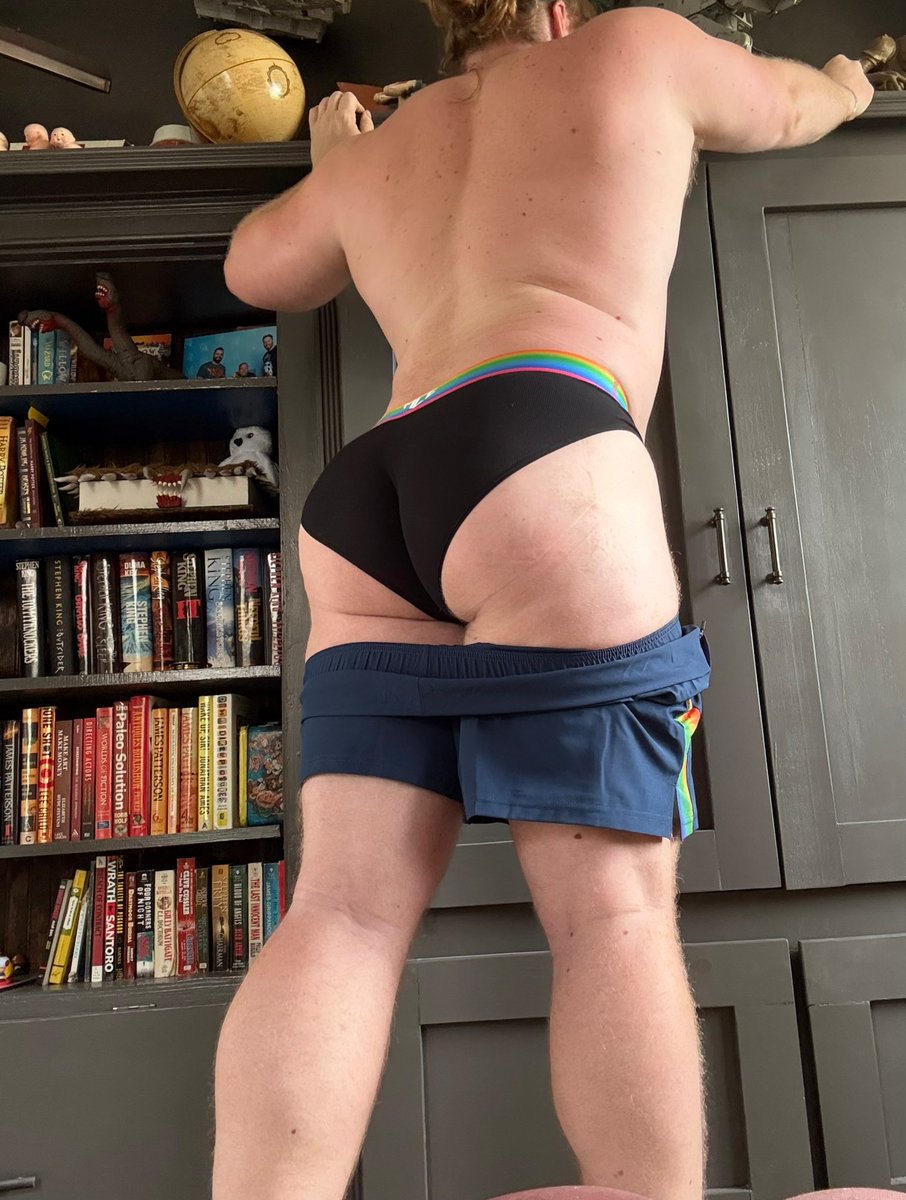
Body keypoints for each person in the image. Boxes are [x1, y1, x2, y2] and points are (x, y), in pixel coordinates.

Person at [216, 5, 874, 1200]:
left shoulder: (384, 144)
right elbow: (787, 106)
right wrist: (843, 81)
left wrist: (333, 165)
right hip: (544, 443)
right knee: (612, 914)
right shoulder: (638, 46)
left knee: (342, 915)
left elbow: (255, 267)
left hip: (374, 488)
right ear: (561, 9)